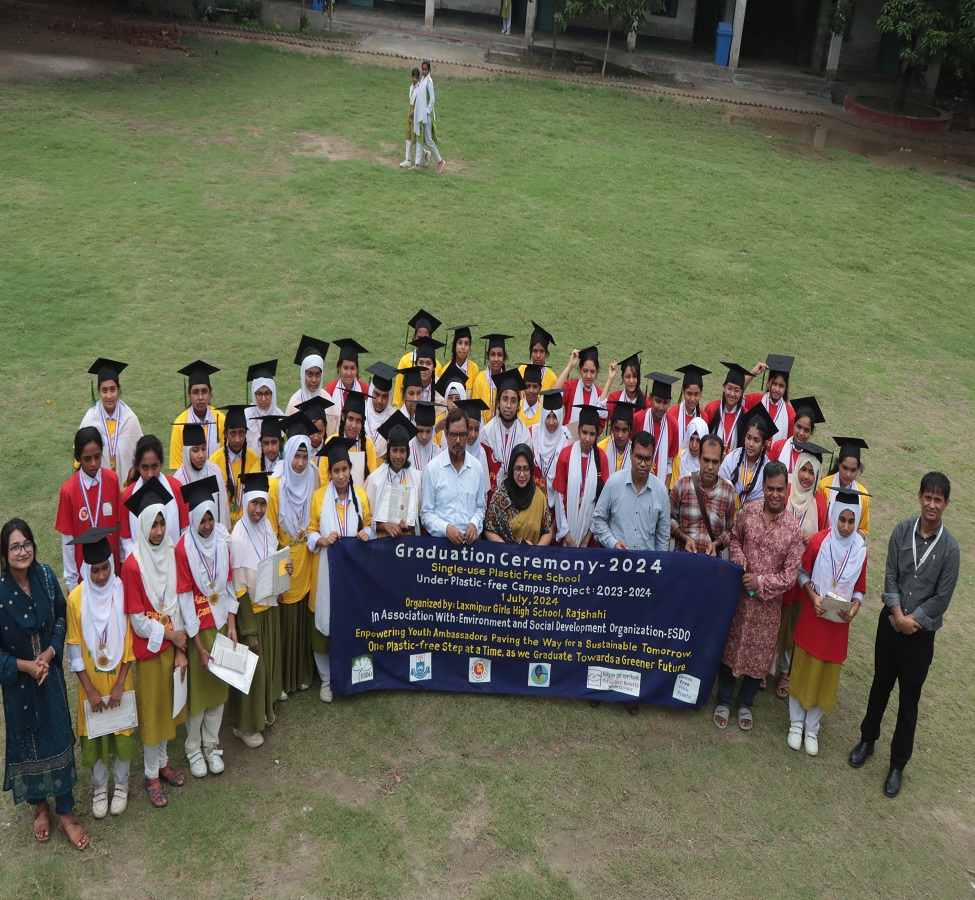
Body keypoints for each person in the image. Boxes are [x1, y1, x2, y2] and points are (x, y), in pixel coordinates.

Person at [849, 472, 959, 798]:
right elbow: (890, 574)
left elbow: (942, 597)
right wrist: (896, 613)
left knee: (909, 700)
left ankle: (898, 763)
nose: (932, 504)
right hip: (890, 625)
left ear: (946, 504)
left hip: (920, 636)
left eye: (938, 500)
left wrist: (914, 621)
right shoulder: (901, 530)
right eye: (928, 497)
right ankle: (867, 740)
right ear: (920, 496)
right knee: (880, 685)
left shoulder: (950, 549)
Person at [0, 519, 87, 850]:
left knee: (57, 737)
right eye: (14, 547)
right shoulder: (0, 594)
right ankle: (40, 807)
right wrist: (25, 666)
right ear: (4, 554)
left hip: (49, 676)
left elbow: (62, 617)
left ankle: (65, 812)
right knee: (29, 742)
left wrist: (50, 654)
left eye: (27, 544)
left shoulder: (47, 578)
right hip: (19, 684)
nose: (22, 552)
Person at [714, 461, 803, 733]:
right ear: (763, 487)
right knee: (731, 646)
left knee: (759, 654)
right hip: (739, 598)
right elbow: (736, 539)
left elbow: (790, 576)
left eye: (780, 489)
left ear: (787, 490)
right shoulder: (748, 512)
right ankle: (725, 699)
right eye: (770, 488)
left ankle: (745, 703)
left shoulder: (793, 530)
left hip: (767, 608)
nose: (775, 494)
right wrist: (741, 563)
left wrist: (761, 581)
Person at [121, 477, 188, 809]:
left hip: (172, 647)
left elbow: (177, 601)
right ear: (143, 525)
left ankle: (162, 763)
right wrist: (172, 636)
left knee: (168, 709)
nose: (159, 531)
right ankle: (150, 774)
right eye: (153, 524)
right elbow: (137, 621)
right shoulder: (132, 565)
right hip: (149, 652)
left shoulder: (172, 552)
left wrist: (179, 647)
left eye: (162, 522)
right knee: (153, 712)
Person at [787, 488, 868, 757]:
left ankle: (813, 727)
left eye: (851, 521)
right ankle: (796, 723)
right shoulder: (819, 542)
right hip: (815, 614)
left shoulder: (860, 552)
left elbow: (860, 589)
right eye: (841, 519)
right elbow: (802, 573)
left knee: (826, 675)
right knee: (803, 668)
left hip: (838, 623)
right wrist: (812, 595)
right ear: (833, 515)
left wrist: (855, 607)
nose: (845, 527)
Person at [66, 527, 134, 820]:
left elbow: (130, 640)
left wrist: (120, 683)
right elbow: (74, 647)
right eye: (95, 570)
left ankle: (121, 784)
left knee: (121, 731)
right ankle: (99, 787)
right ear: (85, 569)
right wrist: (91, 690)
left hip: (120, 675)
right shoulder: (76, 600)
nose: (102, 576)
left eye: (106, 567)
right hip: (90, 681)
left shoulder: (122, 592)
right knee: (95, 734)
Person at [176, 477, 235, 779]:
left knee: (218, 691)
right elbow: (185, 598)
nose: (208, 525)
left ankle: (212, 745)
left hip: (222, 625)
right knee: (198, 697)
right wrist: (197, 646)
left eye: (211, 518)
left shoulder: (224, 543)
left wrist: (234, 627)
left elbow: (229, 586)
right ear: (193, 519)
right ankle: (193, 748)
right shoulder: (183, 549)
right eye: (202, 520)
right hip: (199, 629)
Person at [228, 472, 290, 749]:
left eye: (262, 504)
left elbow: (272, 559)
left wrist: (284, 570)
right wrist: (248, 629)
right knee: (251, 669)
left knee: (264, 667)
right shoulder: (237, 538)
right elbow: (238, 588)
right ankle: (244, 726)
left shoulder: (266, 527)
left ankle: (263, 712)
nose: (258, 510)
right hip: (250, 613)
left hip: (269, 606)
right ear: (244, 502)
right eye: (253, 503)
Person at [308, 439, 373, 702]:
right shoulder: (318, 498)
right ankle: (326, 680)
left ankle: (350, 673)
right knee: (324, 626)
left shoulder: (361, 496)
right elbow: (311, 532)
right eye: (335, 471)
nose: (341, 475)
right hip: (325, 571)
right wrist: (322, 540)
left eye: (345, 469)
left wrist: (366, 534)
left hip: (352, 575)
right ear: (329, 473)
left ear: (350, 469)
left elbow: (369, 525)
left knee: (350, 624)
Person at [266, 412, 318, 696]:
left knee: (302, 621)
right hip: (285, 561)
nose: (299, 463)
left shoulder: (314, 476)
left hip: (307, 559)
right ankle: (285, 679)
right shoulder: (276, 486)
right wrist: (277, 571)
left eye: (304, 455)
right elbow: (271, 534)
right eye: (295, 456)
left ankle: (302, 674)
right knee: (286, 625)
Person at [775, 441, 830, 699]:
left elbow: (825, 538)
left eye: (811, 472)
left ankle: (785, 672)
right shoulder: (784, 493)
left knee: (792, 622)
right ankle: (768, 666)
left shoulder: (820, 503)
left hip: (801, 574)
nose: (806, 476)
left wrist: (814, 538)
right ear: (795, 469)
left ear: (817, 475)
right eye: (803, 470)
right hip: (777, 568)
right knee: (774, 617)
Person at [57, 427, 123, 589]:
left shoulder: (112, 479)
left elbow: (120, 525)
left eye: (97, 457)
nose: (93, 464)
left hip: (111, 568)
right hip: (84, 573)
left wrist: (122, 561)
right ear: (78, 458)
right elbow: (67, 540)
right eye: (87, 459)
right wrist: (72, 584)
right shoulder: (68, 491)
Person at [592, 431, 670, 552]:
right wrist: (613, 543)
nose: (643, 464)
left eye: (647, 459)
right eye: (639, 458)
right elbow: (598, 519)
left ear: (653, 458)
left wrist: (659, 563)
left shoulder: (661, 491)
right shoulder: (614, 483)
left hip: (647, 565)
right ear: (631, 454)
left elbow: (663, 535)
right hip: (616, 562)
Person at [420, 407, 486, 544]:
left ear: (467, 434)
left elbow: (480, 507)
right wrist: (446, 529)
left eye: (462, 435)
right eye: (453, 435)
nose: (457, 441)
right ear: (445, 434)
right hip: (441, 548)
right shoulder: (432, 469)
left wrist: (474, 523)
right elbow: (425, 514)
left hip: (469, 548)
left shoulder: (476, 468)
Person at [121, 435, 190, 559]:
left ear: (161, 464)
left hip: (173, 560)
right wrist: (141, 560)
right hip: (142, 564)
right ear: (137, 466)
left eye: (154, 466)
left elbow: (185, 529)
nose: (150, 474)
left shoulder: (175, 488)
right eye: (145, 467)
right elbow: (126, 539)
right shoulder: (128, 496)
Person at [551, 404, 609, 548]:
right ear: (578, 430)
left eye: (592, 434)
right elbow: (559, 497)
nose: (587, 438)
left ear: (597, 434)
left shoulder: (601, 458)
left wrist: (586, 539)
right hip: (566, 531)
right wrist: (568, 536)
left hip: (589, 536)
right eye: (584, 432)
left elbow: (601, 503)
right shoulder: (566, 455)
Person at [669, 434, 735, 556]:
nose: (710, 467)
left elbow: (730, 530)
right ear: (699, 458)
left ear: (721, 461)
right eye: (706, 460)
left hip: (711, 564)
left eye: (715, 462)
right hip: (683, 559)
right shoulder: (682, 484)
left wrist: (716, 544)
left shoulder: (728, 490)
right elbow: (668, 519)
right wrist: (684, 538)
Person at [78, 358, 143, 480]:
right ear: (98, 391)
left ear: (118, 389)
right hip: (98, 482)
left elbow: (140, 455)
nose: (109, 396)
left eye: (112, 389)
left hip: (125, 484)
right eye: (104, 390)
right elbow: (80, 459)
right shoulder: (89, 420)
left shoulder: (130, 419)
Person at [367, 412, 422, 538]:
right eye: (394, 450)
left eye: (402, 451)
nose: (398, 456)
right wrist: (386, 525)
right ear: (388, 449)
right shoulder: (375, 479)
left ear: (408, 452)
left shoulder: (417, 479)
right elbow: (368, 519)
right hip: (381, 543)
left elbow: (420, 517)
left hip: (407, 544)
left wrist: (409, 525)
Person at [484, 445, 554, 545]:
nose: (522, 475)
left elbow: (547, 531)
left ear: (531, 470)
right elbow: (489, 530)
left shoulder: (539, 497)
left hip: (531, 558)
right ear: (511, 469)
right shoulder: (500, 495)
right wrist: (509, 550)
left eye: (526, 469)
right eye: (517, 469)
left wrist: (535, 550)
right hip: (504, 557)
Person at [718, 404, 777, 516]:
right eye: (748, 437)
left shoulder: (768, 469)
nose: (750, 444)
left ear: (764, 444)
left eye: (756, 440)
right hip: (726, 516)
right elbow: (719, 488)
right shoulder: (731, 459)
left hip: (754, 522)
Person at [172, 423, 231, 530]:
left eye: (203, 449)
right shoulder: (179, 480)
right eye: (195, 450)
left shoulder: (215, 471)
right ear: (186, 452)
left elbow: (222, 512)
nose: (201, 455)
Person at [481, 369, 531, 495]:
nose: (508, 405)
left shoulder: (524, 435)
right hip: (491, 494)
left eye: (513, 400)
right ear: (498, 402)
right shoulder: (487, 433)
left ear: (518, 405)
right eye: (505, 399)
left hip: (517, 494)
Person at [170, 360, 224, 470]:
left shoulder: (221, 419)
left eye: (204, 391)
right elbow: (177, 466)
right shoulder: (180, 424)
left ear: (210, 393)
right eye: (195, 392)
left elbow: (225, 457)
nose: (200, 397)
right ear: (189, 395)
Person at [212, 404, 259, 527]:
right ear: (225, 433)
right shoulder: (214, 462)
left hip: (248, 526)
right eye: (233, 434)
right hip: (223, 527)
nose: (237, 439)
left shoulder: (254, 459)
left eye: (241, 433)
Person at [321, 391, 379, 488]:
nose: (354, 426)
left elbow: (372, 480)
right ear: (343, 417)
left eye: (358, 421)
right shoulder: (331, 441)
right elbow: (324, 479)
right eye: (350, 419)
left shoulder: (368, 444)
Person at [818, 437, 871, 537]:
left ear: (858, 469)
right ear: (838, 464)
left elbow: (862, 529)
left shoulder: (863, 495)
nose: (848, 474)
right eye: (845, 468)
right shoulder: (824, 486)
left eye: (853, 470)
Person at [634, 373, 679, 485]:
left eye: (665, 403)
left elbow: (669, 462)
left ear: (670, 401)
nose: (661, 407)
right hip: (637, 481)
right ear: (650, 397)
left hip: (660, 484)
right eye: (658, 401)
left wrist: (664, 490)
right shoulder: (638, 419)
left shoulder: (673, 425)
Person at [394, 310, 443, 407]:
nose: (422, 341)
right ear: (413, 337)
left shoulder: (438, 366)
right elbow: (398, 396)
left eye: (425, 337)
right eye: (419, 337)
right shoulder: (404, 361)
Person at [554, 347, 611, 430]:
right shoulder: (571, 387)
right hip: (567, 438)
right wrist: (570, 365)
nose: (588, 376)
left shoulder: (599, 394)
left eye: (592, 371)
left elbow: (600, 426)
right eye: (585, 371)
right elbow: (554, 394)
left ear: (597, 372)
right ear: (580, 370)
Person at [744, 354, 796, 444]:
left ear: (786, 387)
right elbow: (737, 394)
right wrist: (753, 373)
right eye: (774, 383)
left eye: (781, 386)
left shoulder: (790, 414)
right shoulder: (756, 400)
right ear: (768, 382)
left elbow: (789, 445)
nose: (777, 389)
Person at [703, 362, 750, 458]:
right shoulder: (711, 408)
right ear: (724, 387)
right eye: (729, 388)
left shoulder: (746, 415)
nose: (732, 394)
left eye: (737, 390)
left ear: (741, 392)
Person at [531, 389, 571, 496]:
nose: (551, 422)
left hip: (556, 500)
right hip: (532, 497)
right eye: (548, 416)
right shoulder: (532, 434)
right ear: (543, 416)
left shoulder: (566, 440)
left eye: (555, 417)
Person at [769, 396, 824, 474]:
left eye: (806, 430)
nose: (801, 433)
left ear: (812, 431)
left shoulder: (813, 456)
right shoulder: (779, 446)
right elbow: (766, 472)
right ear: (793, 424)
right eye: (799, 427)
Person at [411, 60, 445, 173]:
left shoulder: (429, 82)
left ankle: (440, 161)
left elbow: (432, 99)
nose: (424, 71)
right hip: (421, 114)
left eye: (426, 69)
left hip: (426, 116)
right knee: (420, 138)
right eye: (423, 69)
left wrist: (426, 112)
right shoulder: (423, 80)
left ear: (429, 70)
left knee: (429, 140)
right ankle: (417, 163)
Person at [667, 364, 711, 452]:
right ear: (683, 391)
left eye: (696, 394)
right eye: (689, 394)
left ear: (701, 392)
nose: (693, 399)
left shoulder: (703, 417)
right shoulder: (672, 415)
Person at [284, 335, 330, 416]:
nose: (314, 380)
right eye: (310, 374)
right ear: (303, 374)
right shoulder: (294, 404)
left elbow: (333, 428)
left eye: (318, 375)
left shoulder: (327, 400)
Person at [245, 360, 284, 455]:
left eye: (267, 393)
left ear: (273, 393)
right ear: (254, 394)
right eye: (259, 394)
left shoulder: (280, 417)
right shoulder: (245, 416)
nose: (263, 399)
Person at [471, 334, 512, 423]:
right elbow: (475, 409)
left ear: (504, 357)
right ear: (488, 356)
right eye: (492, 354)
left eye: (499, 355)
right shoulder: (480, 379)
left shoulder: (508, 380)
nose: (496, 359)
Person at [325, 339, 370, 421]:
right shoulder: (330, 389)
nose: (349, 373)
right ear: (339, 368)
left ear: (357, 369)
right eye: (345, 368)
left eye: (352, 368)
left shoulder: (365, 389)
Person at [364, 362, 398, 456]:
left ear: (390, 397)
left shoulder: (394, 418)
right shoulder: (360, 411)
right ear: (371, 391)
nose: (379, 401)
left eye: (384, 397)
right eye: (376, 394)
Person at [605, 352, 646, 423]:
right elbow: (601, 414)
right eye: (628, 376)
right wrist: (610, 379)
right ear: (622, 378)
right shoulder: (614, 398)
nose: (631, 381)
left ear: (639, 378)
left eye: (635, 376)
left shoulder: (646, 402)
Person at [518, 321, 558, 392]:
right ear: (531, 352)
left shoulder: (552, 378)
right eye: (535, 351)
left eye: (542, 351)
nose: (538, 355)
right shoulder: (521, 370)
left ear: (546, 353)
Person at [669, 416, 709, 484]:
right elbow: (673, 487)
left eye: (698, 441)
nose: (694, 445)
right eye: (691, 439)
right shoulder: (679, 457)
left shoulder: (710, 461)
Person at [597, 402, 634, 475]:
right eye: (617, 429)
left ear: (631, 430)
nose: (620, 435)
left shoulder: (635, 452)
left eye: (624, 430)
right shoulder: (601, 449)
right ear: (612, 428)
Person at [399, 67, 425, 169]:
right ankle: (408, 159)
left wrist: (414, 111)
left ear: (418, 78)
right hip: (410, 112)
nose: (414, 79)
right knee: (408, 137)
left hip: (415, 113)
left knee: (414, 139)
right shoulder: (411, 87)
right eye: (413, 77)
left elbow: (419, 102)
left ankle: (425, 154)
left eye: (416, 77)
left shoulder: (420, 89)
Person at [444, 324, 480, 394]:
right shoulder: (446, 370)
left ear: (470, 347)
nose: (463, 347)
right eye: (460, 343)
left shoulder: (474, 369)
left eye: (466, 344)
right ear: (455, 345)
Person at [518, 364, 544, 429]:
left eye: (535, 386)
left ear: (540, 388)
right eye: (528, 386)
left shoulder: (543, 413)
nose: (531, 391)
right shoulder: (516, 408)